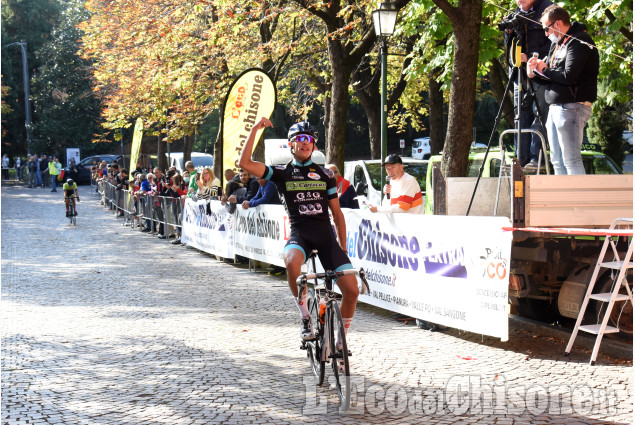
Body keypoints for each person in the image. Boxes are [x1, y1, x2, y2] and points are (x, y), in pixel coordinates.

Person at [239, 117, 359, 351]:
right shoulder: (282, 172)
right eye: (300, 139)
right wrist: (255, 130)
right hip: (300, 236)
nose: (305, 143)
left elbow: (337, 215)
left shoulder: (326, 175)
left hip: (326, 238)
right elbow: (245, 163)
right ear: (290, 144)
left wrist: (343, 248)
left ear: (314, 146)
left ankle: (339, 342)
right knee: (292, 260)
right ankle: (305, 316)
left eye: (310, 140)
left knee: (352, 291)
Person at [527, 5, 599, 175]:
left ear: (557, 24)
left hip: (573, 107)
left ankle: (578, 201)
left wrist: (544, 70)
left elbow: (569, 76)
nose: (546, 34)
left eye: (546, 28)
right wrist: (534, 73)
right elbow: (552, 77)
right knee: (556, 161)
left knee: (571, 159)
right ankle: (564, 200)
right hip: (554, 107)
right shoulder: (558, 44)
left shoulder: (579, 41)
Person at [504, 0, 552, 169]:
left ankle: (535, 160)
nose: (519, 0)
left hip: (540, 74)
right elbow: (508, 49)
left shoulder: (548, 9)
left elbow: (554, 44)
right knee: (520, 118)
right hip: (519, 76)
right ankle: (519, 160)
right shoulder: (514, 15)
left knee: (538, 116)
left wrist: (531, 56)